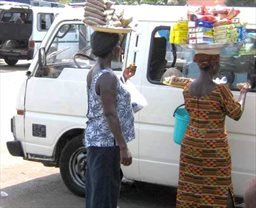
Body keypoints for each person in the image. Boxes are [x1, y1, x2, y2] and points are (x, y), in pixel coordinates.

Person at [167, 53, 251, 208]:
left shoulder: (187, 88)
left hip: (191, 144)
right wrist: (243, 93)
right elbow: (236, 113)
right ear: (214, 66)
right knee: (217, 187)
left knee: (191, 186)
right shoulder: (220, 90)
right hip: (214, 147)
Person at [84, 31, 136, 208]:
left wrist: (124, 79)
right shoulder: (107, 77)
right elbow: (109, 113)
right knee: (104, 196)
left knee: (98, 192)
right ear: (114, 49)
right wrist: (123, 147)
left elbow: (102, 99)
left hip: (97, 142)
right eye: (119, 46)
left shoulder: (96, 71)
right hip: (106, 145)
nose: (121, 49)